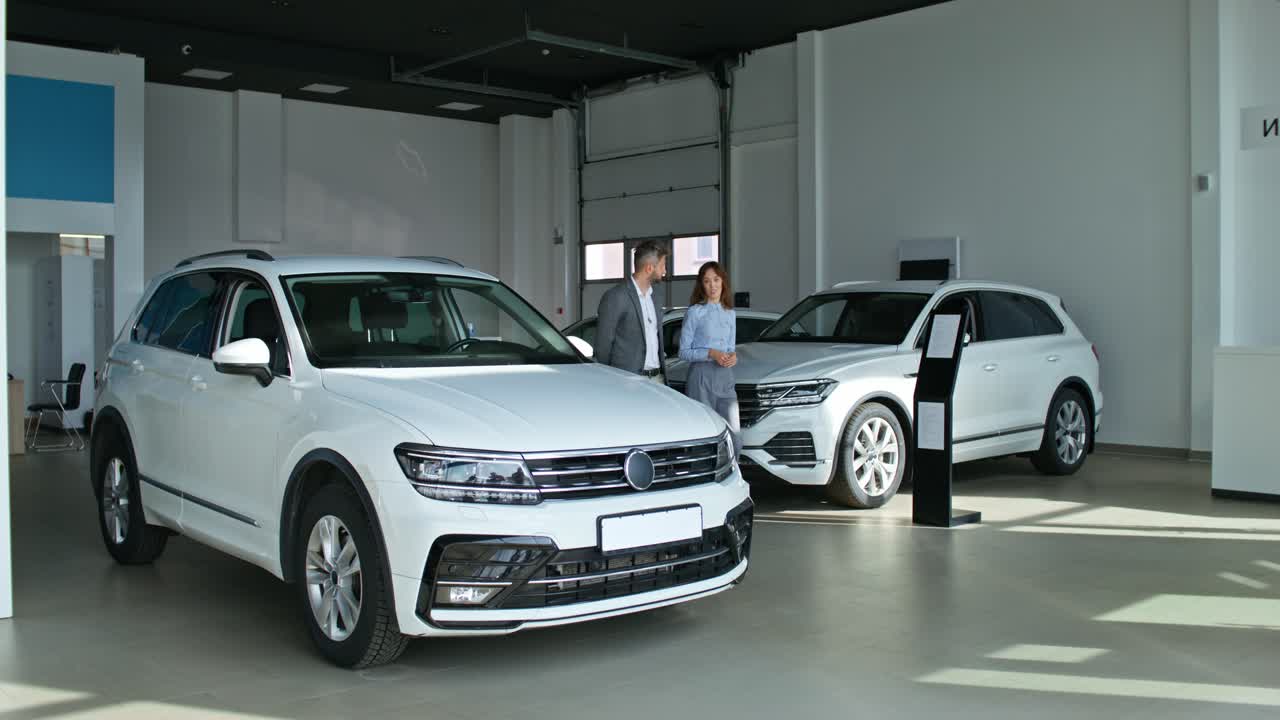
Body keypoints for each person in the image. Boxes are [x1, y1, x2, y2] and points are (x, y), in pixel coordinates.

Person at [679, 261, 741, 451]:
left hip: (725, 378)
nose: (712, 285)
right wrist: (710, 353)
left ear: (723, 281)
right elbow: (683, 352)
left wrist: (733, 357)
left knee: (734, 438)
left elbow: (730, 348)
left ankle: (733, 468)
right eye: (707, 281)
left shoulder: (730, 313)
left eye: (716, 279)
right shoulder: (695, 312)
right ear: (701, 285)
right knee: (704, 437)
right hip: (701, 378)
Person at [595, 239, 669, 383]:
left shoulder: (656, 296)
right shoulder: (616, 296)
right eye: (662, 266)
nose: (664, 271)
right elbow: (602, 348)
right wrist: (612, 380)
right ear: (649, 268)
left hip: (657, 379)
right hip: (627, 382)